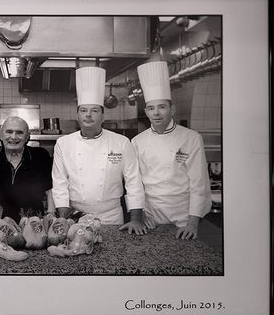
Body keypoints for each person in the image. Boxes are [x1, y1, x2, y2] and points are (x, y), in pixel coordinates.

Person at [51, 66, 147, 235]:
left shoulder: (122, 142)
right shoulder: (63, 143)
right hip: (75, 216)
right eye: (83, 110)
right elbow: (60, 183)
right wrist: (63, 218)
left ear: (103, 116)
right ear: (78, 115)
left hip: (111, 216)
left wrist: (136, 219)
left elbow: (133, 182)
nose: (88, 115)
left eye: (94, 110)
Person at [132, 61, 212, 240]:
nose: (156, 113)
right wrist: (142, 214)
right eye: (151, 108)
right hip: (151, 215)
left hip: (183, 216)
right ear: (146, 112)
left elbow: (198, 182)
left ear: (172, 109)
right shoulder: (138, 141)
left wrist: (192, 223)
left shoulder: (191, 138)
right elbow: (136, 183)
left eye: (162, 107)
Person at [0, 116, 54, 223]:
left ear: (27, 136)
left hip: (32, 224)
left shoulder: (40, 156)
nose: (13, 137)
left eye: (19, 133)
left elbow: (50, 188)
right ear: (1, 135)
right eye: (9, 132)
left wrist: (51, 213)